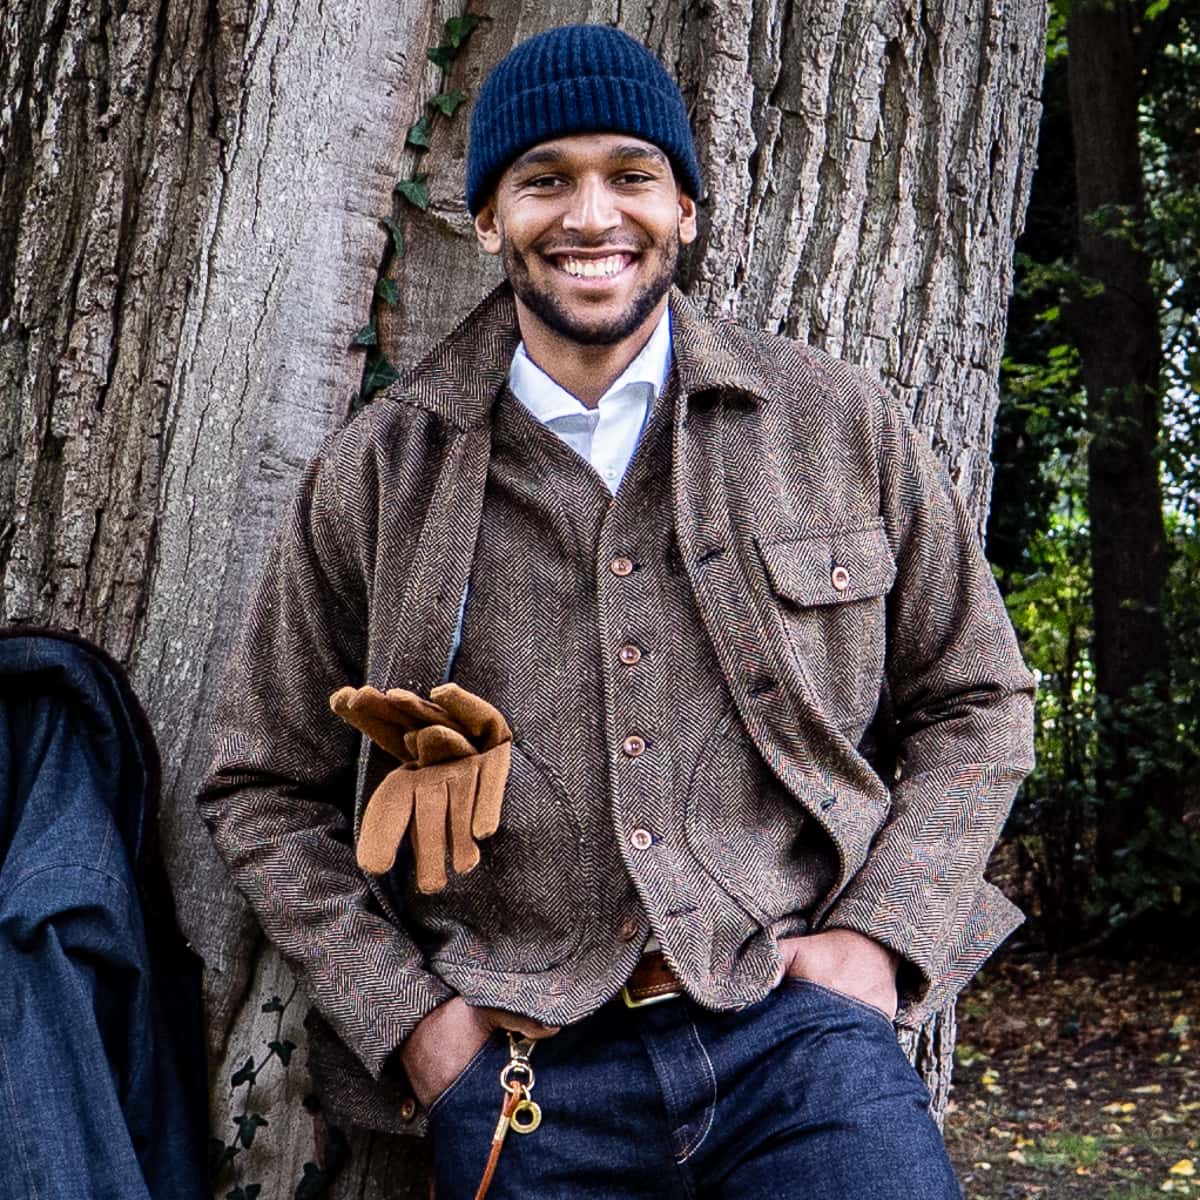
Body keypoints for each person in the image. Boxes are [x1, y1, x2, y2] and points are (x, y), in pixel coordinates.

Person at [199, 23, 1035, 1199]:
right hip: (525, 1077)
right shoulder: (379, 476)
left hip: (800, 1047)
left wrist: (884, 938)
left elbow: (978, 698)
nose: (592, 216)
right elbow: (260, 786)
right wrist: (416, 1026)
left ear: (684, 208)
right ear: (488, 219)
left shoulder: (837, 426)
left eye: (631, 176)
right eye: (545, 180)